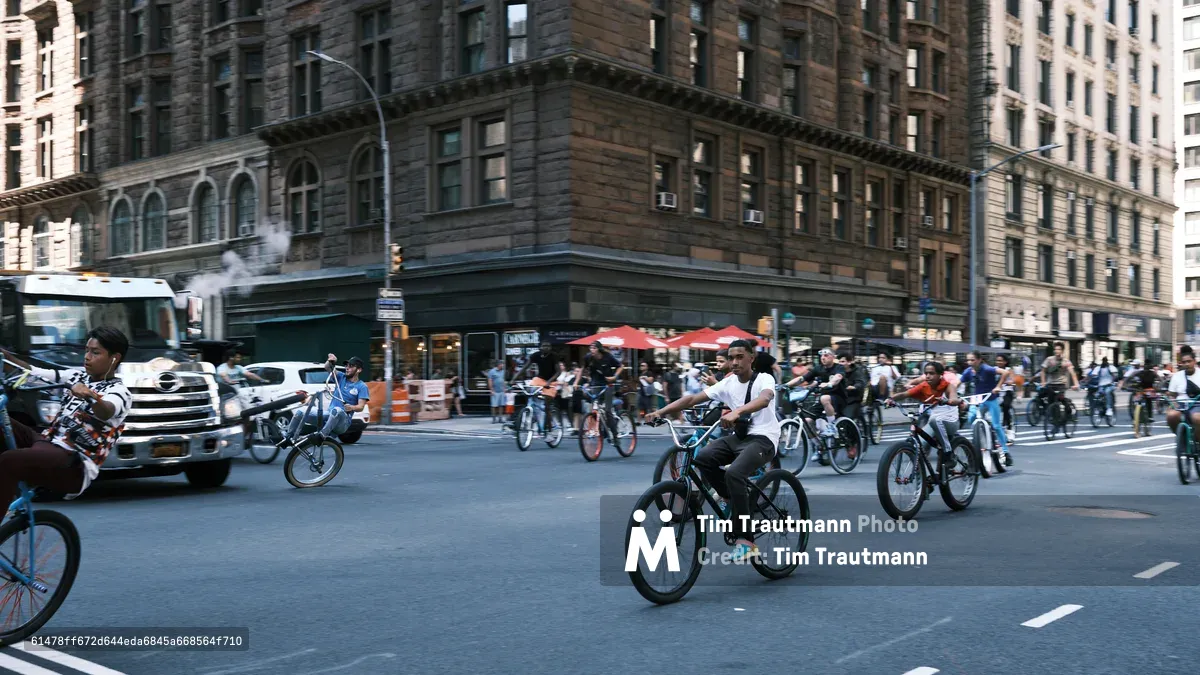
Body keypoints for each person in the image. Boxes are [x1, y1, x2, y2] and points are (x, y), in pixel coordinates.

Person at [644, 339, 779, 563]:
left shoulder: (764, 378)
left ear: (751, 358)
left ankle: (746, 541)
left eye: (739, 357)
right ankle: (729, 496)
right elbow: (692, 398)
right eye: (731, 358)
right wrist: (662, 411)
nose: (734, 362)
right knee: (703, 457)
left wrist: (737, 413)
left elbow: (764, 399)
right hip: (740, 437)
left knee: (734, 473)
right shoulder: (727, 383)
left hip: (764, 438)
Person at [0, 328, 132, 504]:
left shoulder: (120, 392)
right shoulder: (75, 376)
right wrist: (4, 355)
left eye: (95, 352)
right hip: (47, 442)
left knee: (8, 461)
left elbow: (106, 410)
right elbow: (31, 373)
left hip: (74, 465)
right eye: (87, 350)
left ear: (114, 358)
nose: (87, 357)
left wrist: (89, 395)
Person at [281, 354, 369, 449]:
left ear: (359, 370)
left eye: (351, 366)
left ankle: (322, 436)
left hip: (343, 422)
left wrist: (351, 407)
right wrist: (331, 360)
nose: (347, 368)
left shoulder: (362, 386)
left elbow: (361, 407)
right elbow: (327, 367)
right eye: (347, 365)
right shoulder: (341, 377)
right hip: (329, 415)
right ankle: (288, 438)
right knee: (300, 412)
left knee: (337, 410)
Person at [887, 360, 962, 462]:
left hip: (951, 422)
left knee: (934, 420)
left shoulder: (948, 386)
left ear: (940, 375)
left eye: (931, 373)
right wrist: (891, 399)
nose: (927, 376)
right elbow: (904, 394)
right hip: (934, 423)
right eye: (926, 373)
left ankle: (947, 450)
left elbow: (955, 400)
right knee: (919, 445)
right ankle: (919, 473)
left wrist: (946, 401)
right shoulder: (924, 386)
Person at [961, 351, 1012, 466]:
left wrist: (998, 386)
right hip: (977, 399)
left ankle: (1005, 452)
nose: (970, 363)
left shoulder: (987, 369)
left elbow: (1005, 372)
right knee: (971, 418)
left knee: (996, 426)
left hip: (990, 398)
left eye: (972, 360)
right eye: (968, 360)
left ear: (979, 360)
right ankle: (981, 434)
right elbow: (956, 383)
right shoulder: (968, 372)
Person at [573, 342, 624, 448]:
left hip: (608, 385)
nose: (592, 350)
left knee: (607, 411)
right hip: (595, 385)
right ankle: (600, 429)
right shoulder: (588, 358)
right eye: (590, 348)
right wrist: (576, 382)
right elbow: (582, 369)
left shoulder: (608, 356)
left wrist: (614, 377)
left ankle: (615, 435)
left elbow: (621, 366)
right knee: (595, 409)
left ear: (599, 349)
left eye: (594, 348)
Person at [785, 348, 844, 438]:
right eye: (822, 356)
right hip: (822, 399)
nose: (823, 358)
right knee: (807, 421)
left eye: (826, 355)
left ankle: (832, 427)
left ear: (833, 357)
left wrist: (830, 383)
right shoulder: (818, 368)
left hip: (838, 398)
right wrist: (785, 385)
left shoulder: (839, 367)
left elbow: (838, 377)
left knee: (824, 398)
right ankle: (817, 445)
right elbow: (802, 378)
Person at [1167, 346, 1200, 439]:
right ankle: (1181, 437)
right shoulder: (1176, 376)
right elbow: (1172, 395)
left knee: (1197, 418)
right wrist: (1174, 404)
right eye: (1184, 362)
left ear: (1194, 361)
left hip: (1197, 404)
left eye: (1189, 361)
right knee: (1171, 416)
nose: (1187, 364)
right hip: (1181, 404)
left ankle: (1197, 441)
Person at [1040, 342, 1080, 416]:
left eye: (1059, 349)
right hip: (1051, 384)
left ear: (1062, 350)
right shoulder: (1049, 359)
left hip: (1061, 385)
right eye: (1055, 349)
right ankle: (1052, 417)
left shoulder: (1066, 361)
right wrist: (1043, 382)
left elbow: (1072, 373)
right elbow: (1042, 371)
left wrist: (1076, 384)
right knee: (1049, 401)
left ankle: (1069, 412)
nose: (1056, 351)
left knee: (1060, 399)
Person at [1124, 359, 1161, 424]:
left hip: (1148, 390)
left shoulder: (1152, 373)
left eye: (1148, 365)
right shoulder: (1143, 372)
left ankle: (1149, 416)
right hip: (1141, 390)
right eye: (1146, 365)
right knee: (1137, 401)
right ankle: (1138, 415)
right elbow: (1129, 378)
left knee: (1148, 401)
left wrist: (1157, 387)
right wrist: (1125, 384)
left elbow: (1161, 380)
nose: (1146, 366)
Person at [837, 352, 868, 427]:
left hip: (854, 398)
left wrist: (854, 387)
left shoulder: (857, 371)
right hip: (842, 397)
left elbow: (860, 382)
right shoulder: (838, 371)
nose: (840, 363)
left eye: (843, 361)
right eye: (839, 362)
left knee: (847, 418)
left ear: (849, 362)